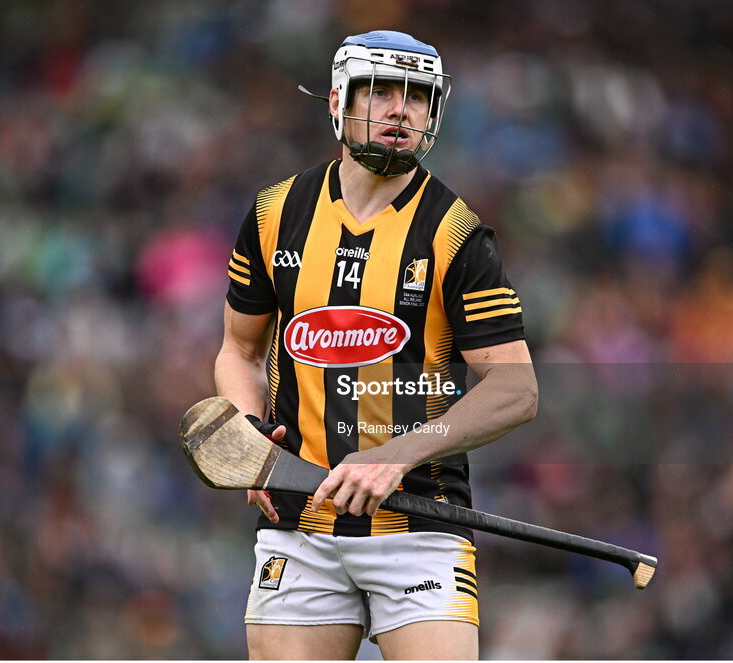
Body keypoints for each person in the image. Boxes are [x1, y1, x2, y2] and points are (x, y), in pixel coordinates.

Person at [215, 29, 537, 660]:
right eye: (381, 92)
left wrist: (398, 454)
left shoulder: (457, 234)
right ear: (337, 102)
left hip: (421, 523)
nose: (399, 110)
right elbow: (240, 352)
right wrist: (251, 434)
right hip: (297, 525)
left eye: (417, 97)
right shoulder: (274, 213)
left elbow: (516, 388)